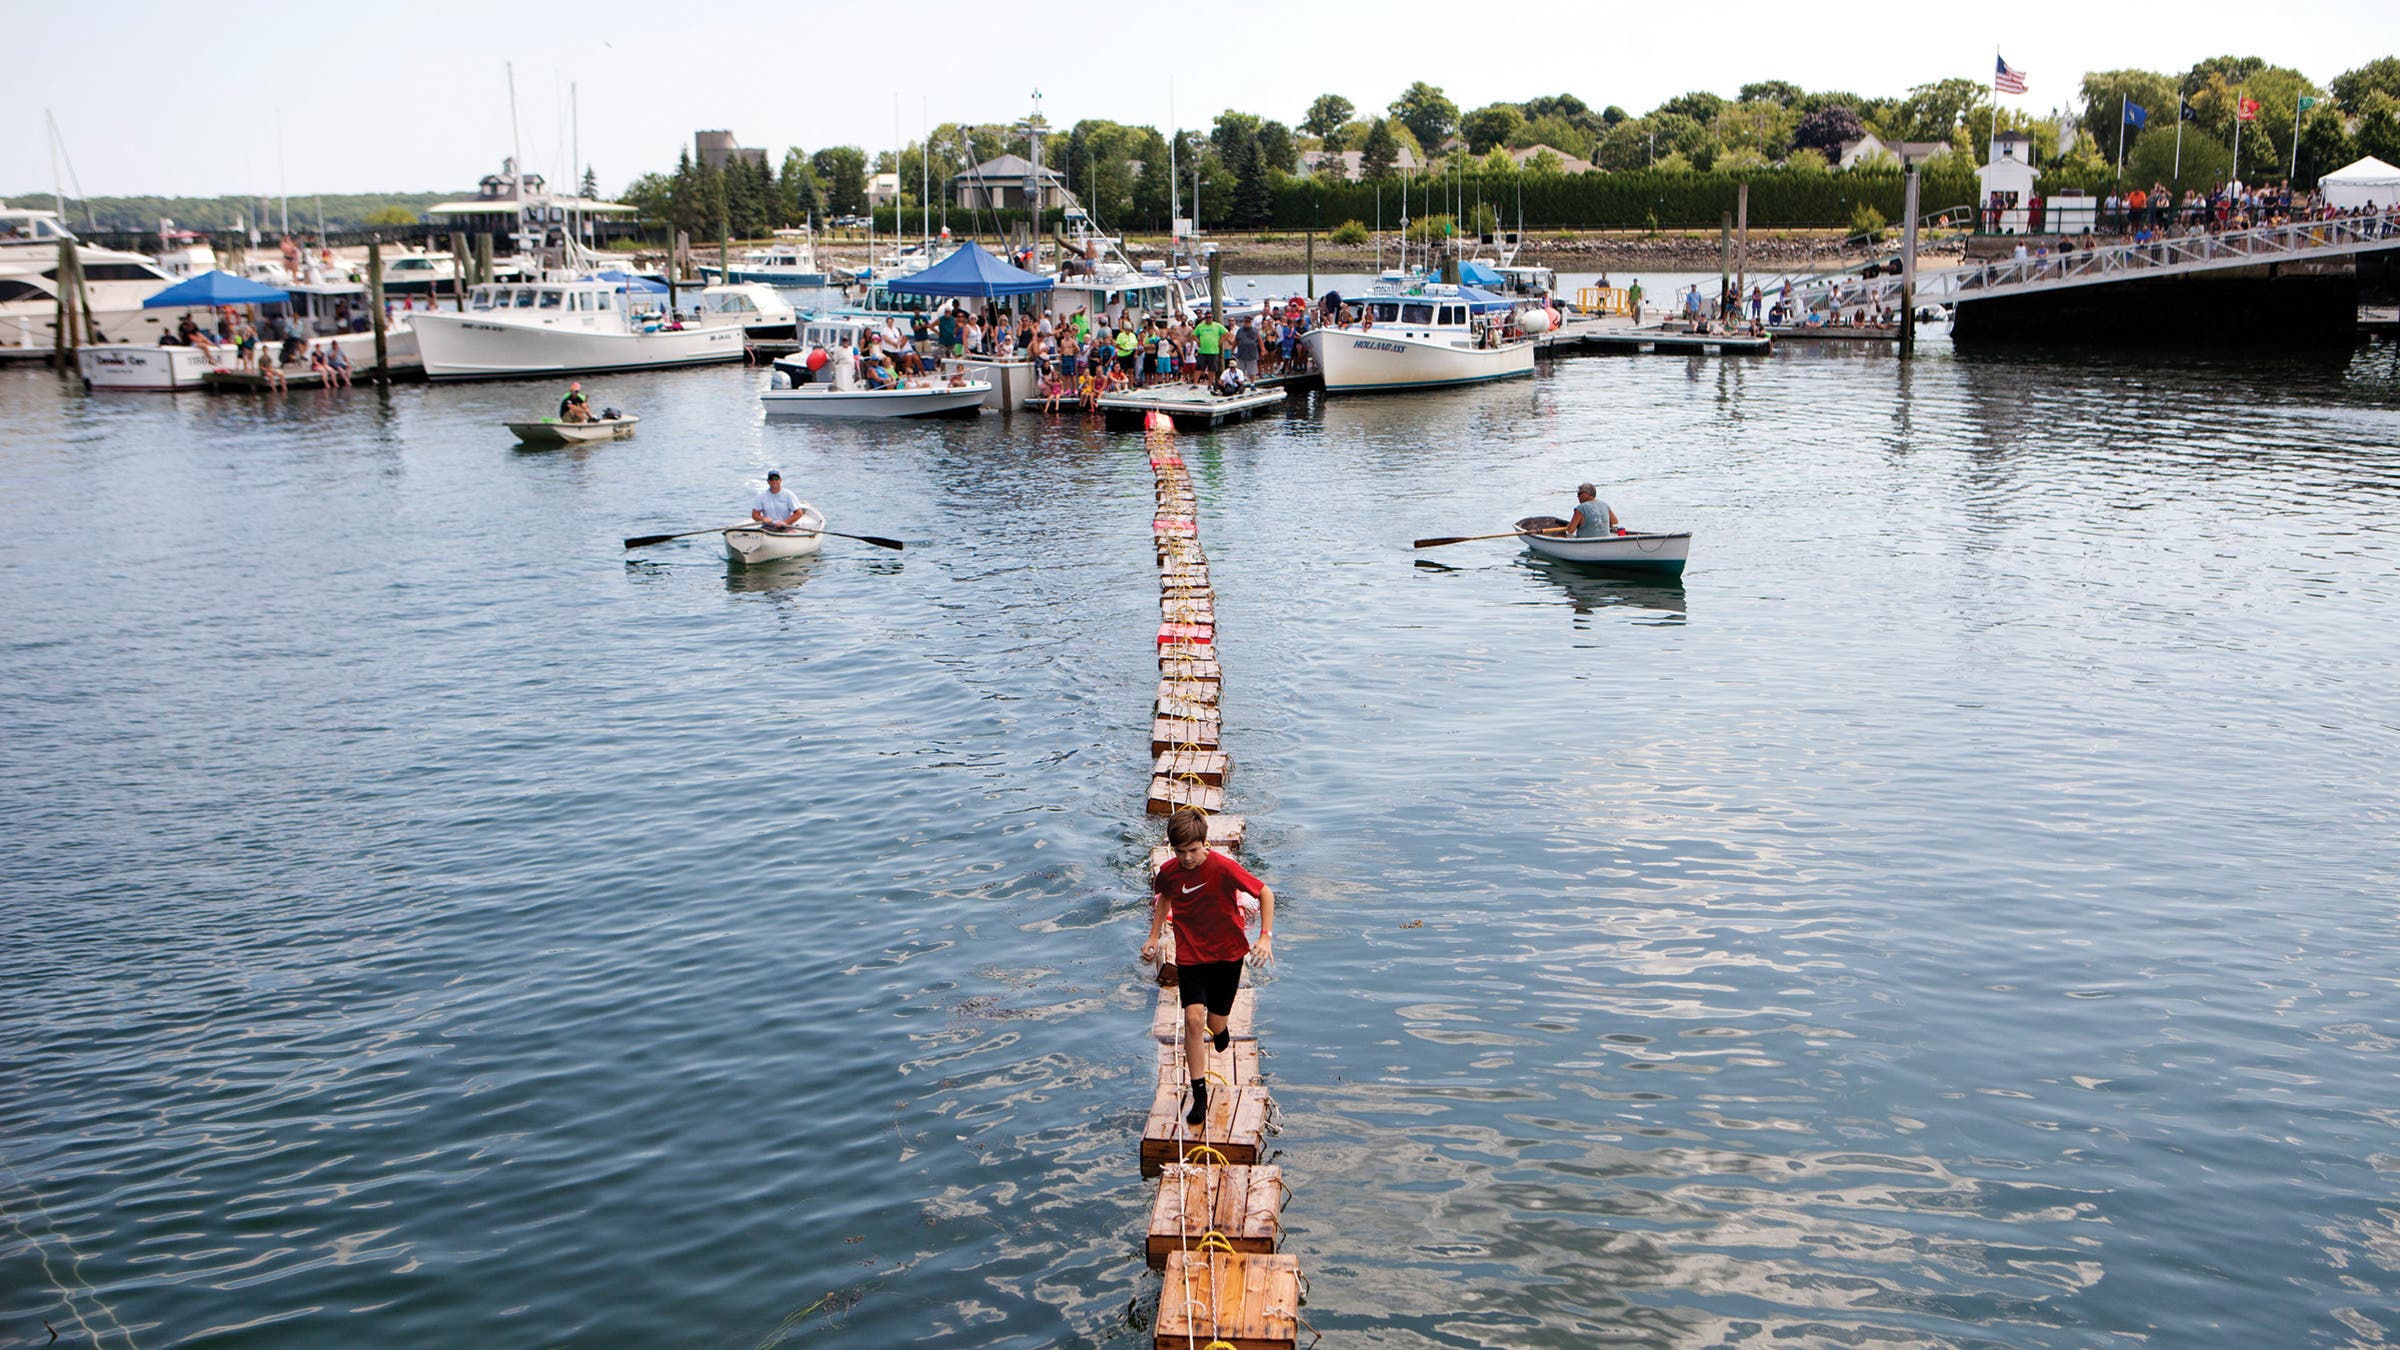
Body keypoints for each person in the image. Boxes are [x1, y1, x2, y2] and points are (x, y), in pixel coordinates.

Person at [1140, 807, 1274, 1126]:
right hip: (1191, 955)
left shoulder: (1224, 868)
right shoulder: (1169, 872)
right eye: (1180, 852)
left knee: (1215, 1023)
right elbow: (1164, 898)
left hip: (1228, 955)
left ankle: (1222, 1029)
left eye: (1193, 850)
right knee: (1193, 1020)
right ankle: (1199, 1093)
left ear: (1205, 843)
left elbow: (1265, 893)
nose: (1187, 858)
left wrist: (1265, 937)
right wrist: (1154, 937)